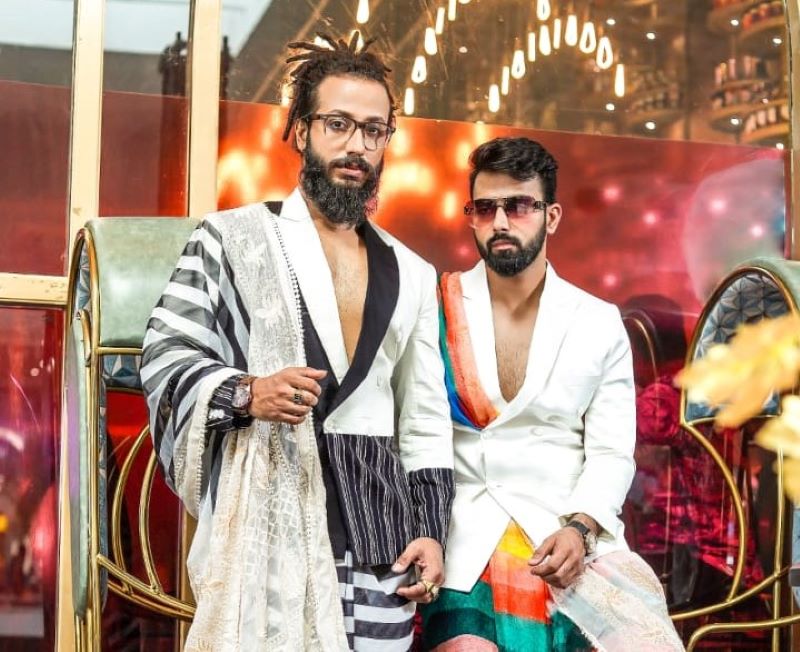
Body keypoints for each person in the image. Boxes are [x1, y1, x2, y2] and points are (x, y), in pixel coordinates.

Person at [140, 32, 454, 651]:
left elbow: (423, 417)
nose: (356, 145)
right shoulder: (230, 239)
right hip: (267, 522)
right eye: (338, 124)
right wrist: (246, 392)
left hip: (380, 539)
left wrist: (432, 527)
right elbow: (165, 353)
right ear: (302, 130)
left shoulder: (414, 272)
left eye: (374, 130)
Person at [421, 137, 683, 651]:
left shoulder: (596, 321)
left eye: (518, 206)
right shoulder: (435, 309)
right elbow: (417, 433)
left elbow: (611, 453)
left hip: (567, 533)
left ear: (552, 216)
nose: (500, 222)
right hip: (467, 537)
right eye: (484, 208)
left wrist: (581, 530)